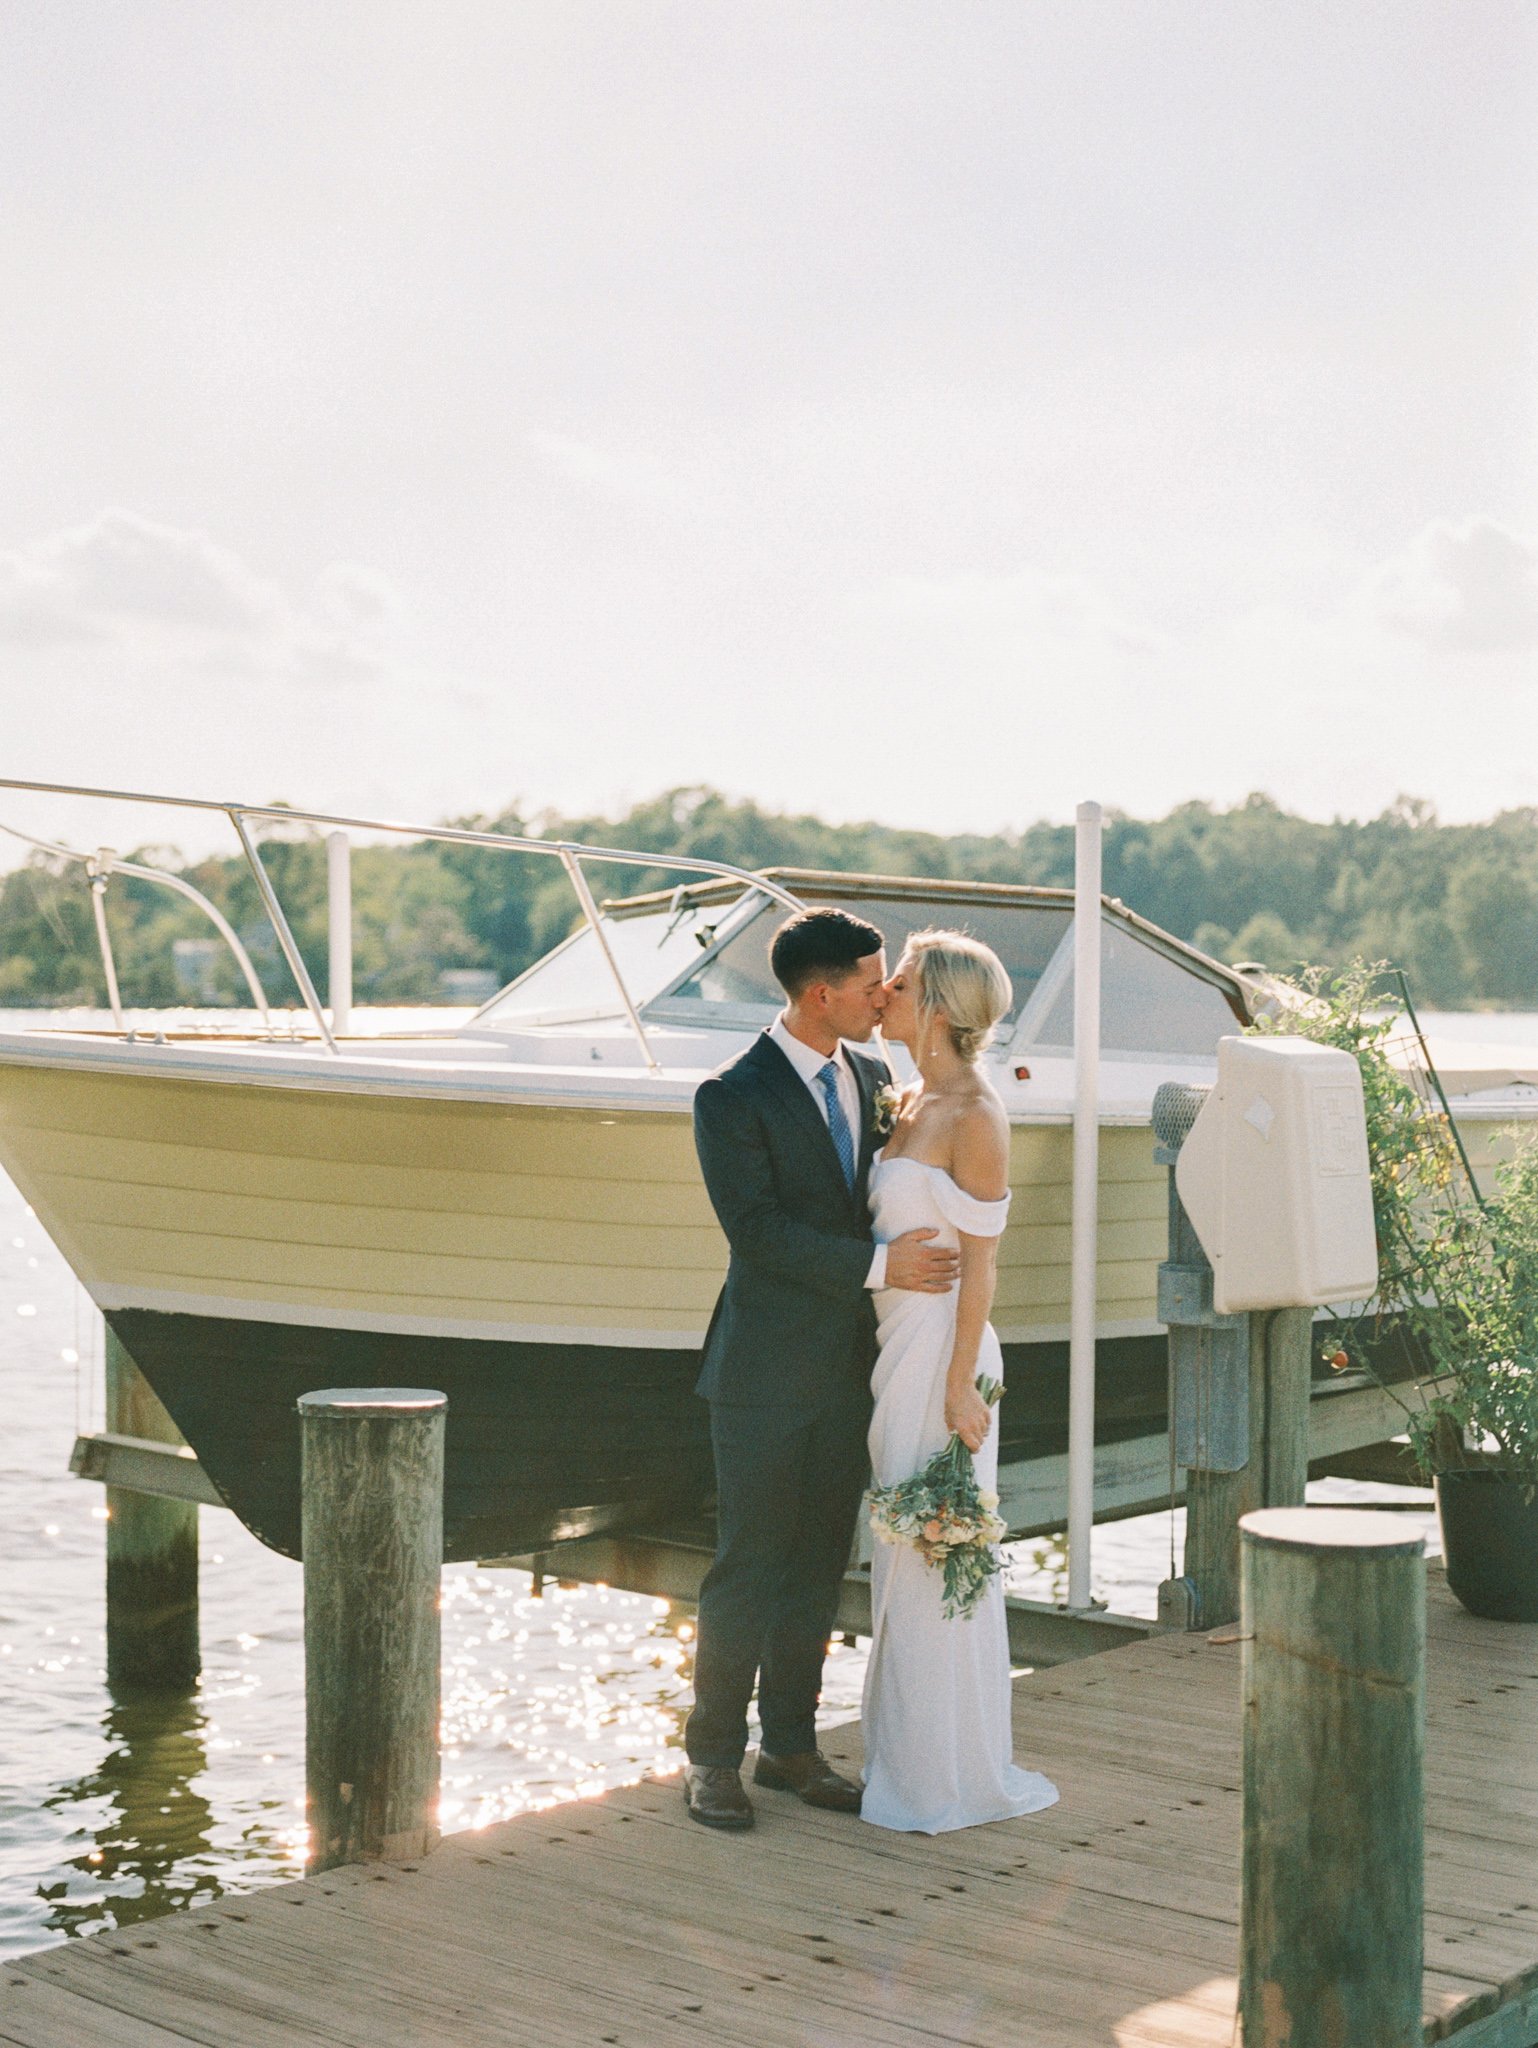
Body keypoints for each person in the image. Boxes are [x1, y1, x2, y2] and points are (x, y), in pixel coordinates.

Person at [682, 906, 962, 1830]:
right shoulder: (731, 1096)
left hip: (851, 1369)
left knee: (815, 1567)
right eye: (873, 982)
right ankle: (713, 1759)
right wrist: (884, 1270)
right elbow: (757, 1235)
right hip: (762, 1372)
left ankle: (791, 1749)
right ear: (821, 993)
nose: (885, 995)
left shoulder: (875, 1073)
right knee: (747, 1565)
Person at [859, 929, 1059, 1834]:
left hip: (946, 1353)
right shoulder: (907, 1099)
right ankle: (901, 1758)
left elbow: (981, 1268)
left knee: (939, 1554)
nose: (882, 992)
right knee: (902, 1557)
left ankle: (946, 1775)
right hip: (895, 1347)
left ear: (935, 1005)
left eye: (897, 981)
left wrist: (955, 1387)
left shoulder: (976, 1112)